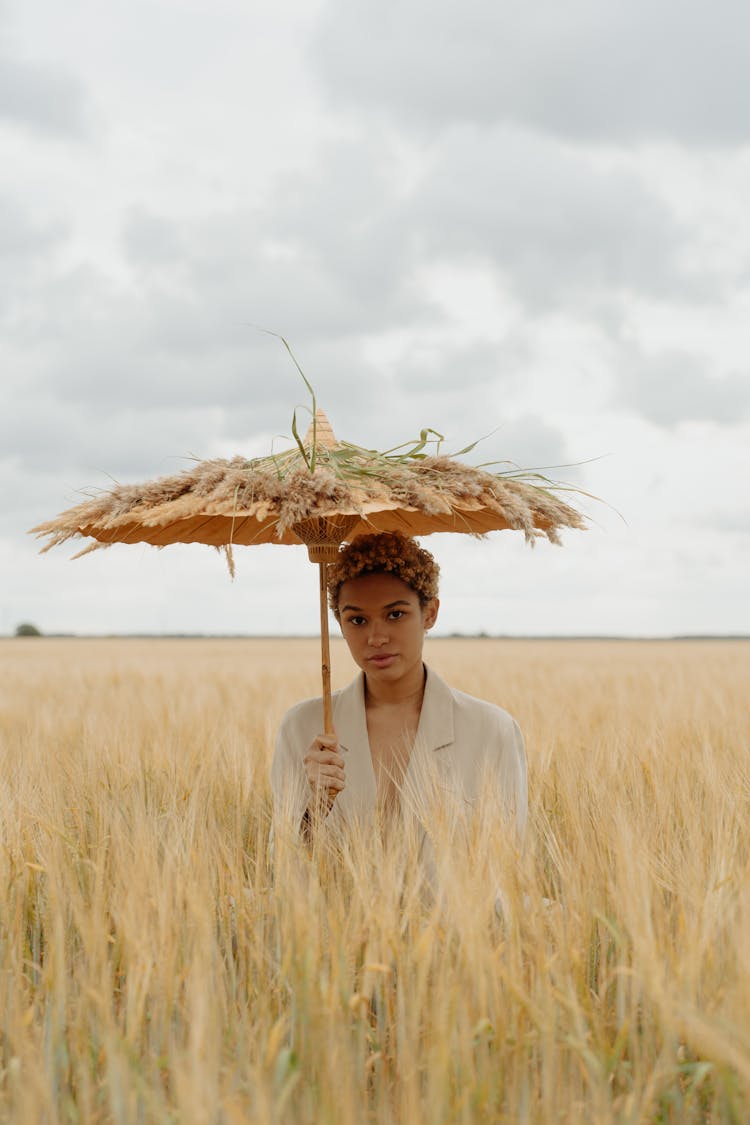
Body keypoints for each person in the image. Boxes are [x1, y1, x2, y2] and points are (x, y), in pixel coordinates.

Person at [270, 532, 528, 893]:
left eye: (395, 614)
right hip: (336, 942)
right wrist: (313, 807)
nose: (376, 637)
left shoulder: (492, 730)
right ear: (339, 624)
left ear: (430, 613)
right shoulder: (303, 728)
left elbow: (506, 866)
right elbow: (283, 869)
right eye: (357, 620)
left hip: (457, 943)